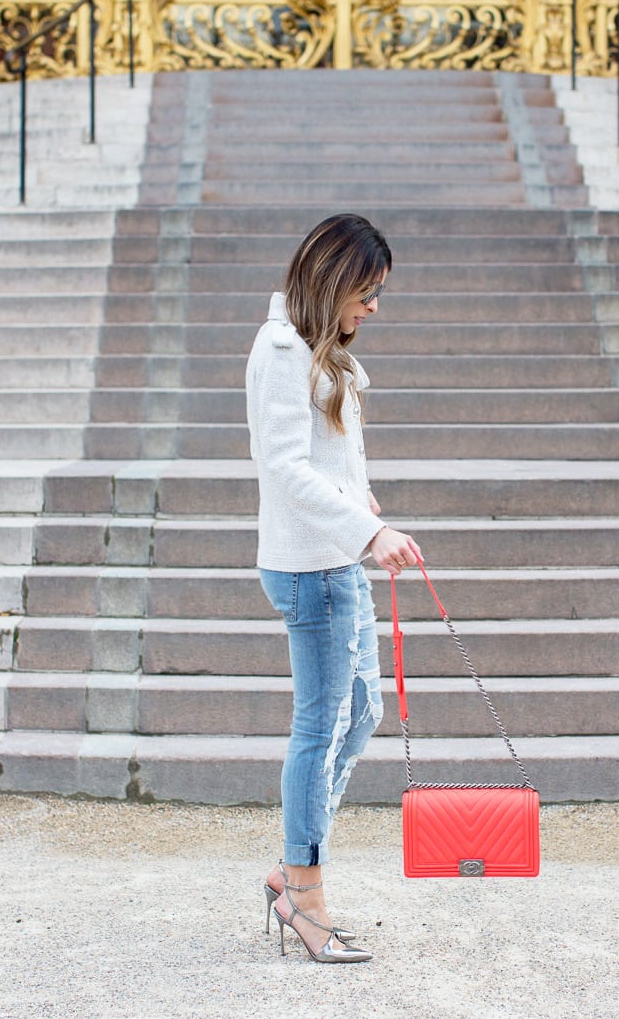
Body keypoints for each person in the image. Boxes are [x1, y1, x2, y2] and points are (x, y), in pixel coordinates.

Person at [245, 213, 423, 964]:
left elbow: (341, 451)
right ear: (334, 276)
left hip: (337, 556)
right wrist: (365, 531)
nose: (374, 307)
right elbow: (286, 467)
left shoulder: (323, 353)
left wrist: (366, 502)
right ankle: (305, 894)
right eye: (368, 290)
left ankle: (295, 861)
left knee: (361, 713)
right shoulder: (281, 351)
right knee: (320, 727)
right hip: (313, 565)